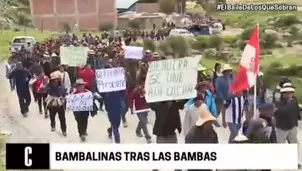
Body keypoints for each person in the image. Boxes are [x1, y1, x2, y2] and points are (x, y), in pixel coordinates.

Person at [185, 103, 218, 171]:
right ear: (203, 123)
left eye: (210, 121)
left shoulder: (213, 133)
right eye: (208, 121)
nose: (210, 123)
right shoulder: (192, 135)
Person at [40, 71, 67, 136]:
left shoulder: (61, 85)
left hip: (60, 102)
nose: (55, 81)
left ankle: (64, 130)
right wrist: (43, 86)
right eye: (53, 80)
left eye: (56, 79)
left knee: (62, 117)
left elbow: (64, 93)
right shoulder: (49, 86)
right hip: (52, 102)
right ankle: (53, 125)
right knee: (52, 115)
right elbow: (42, 88)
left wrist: (64, 98)